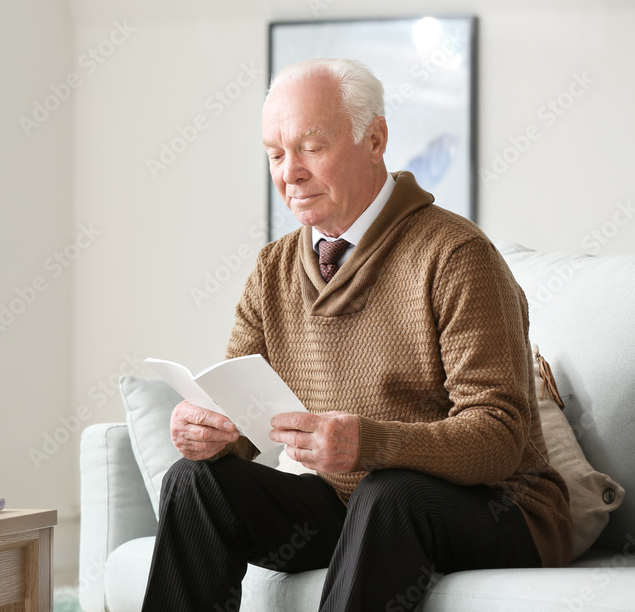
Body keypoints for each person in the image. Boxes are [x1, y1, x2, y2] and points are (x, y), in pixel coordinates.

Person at [140, 58, 572, 612]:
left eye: (311, 147)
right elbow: (244, 424)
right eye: (275, 154)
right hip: (352, 505)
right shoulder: (272, 270)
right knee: (194, 481)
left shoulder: (457, 255)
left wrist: (369, 443)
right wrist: (212, 431)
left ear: (376, 139)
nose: (288, 172)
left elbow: (499, 439)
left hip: (500, 509)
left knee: (386, 491)